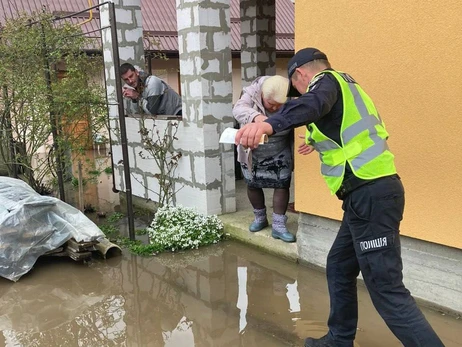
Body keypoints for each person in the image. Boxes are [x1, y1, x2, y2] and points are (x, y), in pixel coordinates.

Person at [235, 48, 444, 347]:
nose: (301, 92)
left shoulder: (327, 81)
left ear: (301, 75)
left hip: (370, 194)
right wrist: (315, 140)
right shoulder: (349, 89)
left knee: (387, 291)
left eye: (298, 87)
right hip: (365, 196)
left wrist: (267, 124)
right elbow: (340, 128)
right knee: (339, 265)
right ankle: (339, 340)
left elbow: (314, 103)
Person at [233, 75, 295, 243]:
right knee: (252, 184)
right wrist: (258, 118)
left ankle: (279, 225)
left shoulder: (291, 90)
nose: (275, 108)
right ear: (261, 95)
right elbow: (238, 109)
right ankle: (260, 218)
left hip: (280, 148)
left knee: (282, 184)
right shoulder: (251, 92)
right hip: (252, 149)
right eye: (271, 104)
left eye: (279, 105)